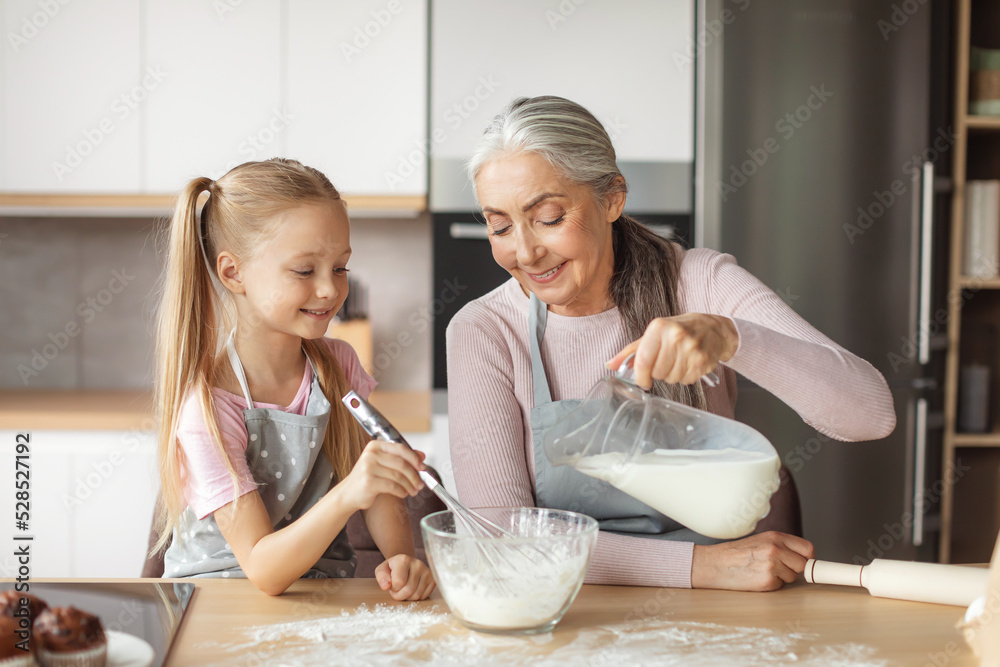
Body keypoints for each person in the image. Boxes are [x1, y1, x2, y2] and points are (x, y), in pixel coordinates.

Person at [446, 96, 896, 591]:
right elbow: (501, 536)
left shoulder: (698, 282)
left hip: (715, 611)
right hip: (565, 607)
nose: (526, 251)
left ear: (612, 198)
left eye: (549, 217)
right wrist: (701, 568)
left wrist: (731, 336)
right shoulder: (484, 330)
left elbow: (870, 415)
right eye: (501, 226)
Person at [152, 158, 434, 599]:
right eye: (305, 270)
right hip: (219, 603)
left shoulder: (338, 367)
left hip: (316, 595)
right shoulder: (208, 405)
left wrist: (402, 557)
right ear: (233, 272)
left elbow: (378, 490)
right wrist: (349, 494)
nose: (330, 289)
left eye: (340, 267)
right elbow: (263, 570)